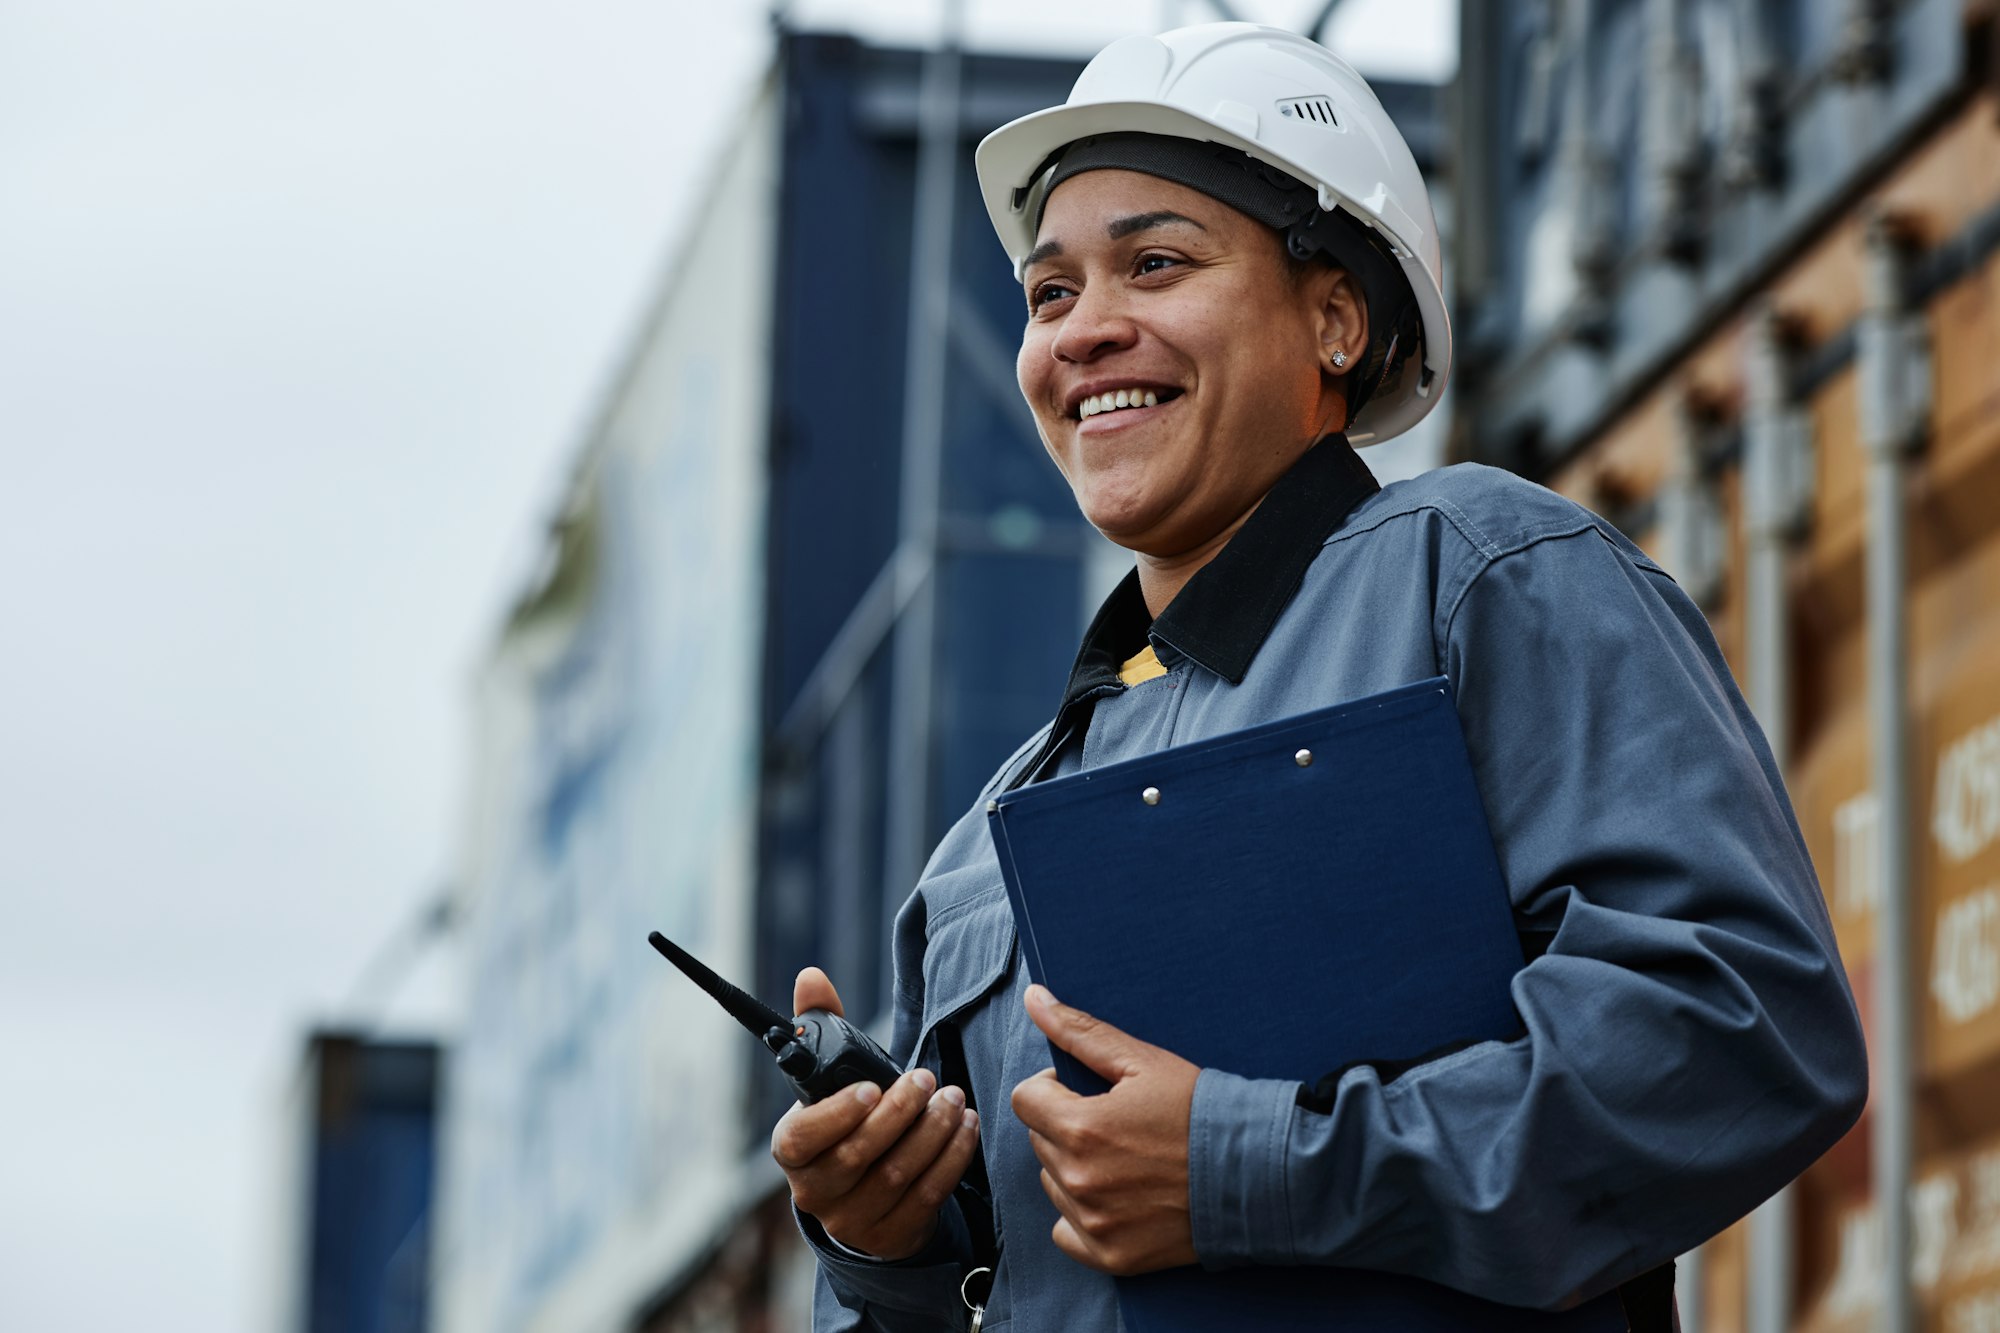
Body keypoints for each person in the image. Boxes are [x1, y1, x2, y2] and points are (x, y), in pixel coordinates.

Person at [769, 21, 1868, 1332]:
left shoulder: (1476, 582)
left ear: (1336, 317)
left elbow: (1741, 1027)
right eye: (1049, 294)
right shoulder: (976, 859)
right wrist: (885, 1247)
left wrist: (1244, 1169)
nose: (1085, 332)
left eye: (1156, 263)